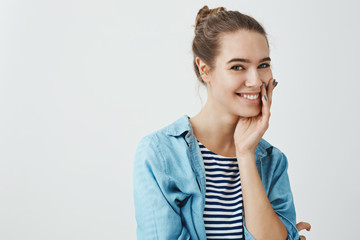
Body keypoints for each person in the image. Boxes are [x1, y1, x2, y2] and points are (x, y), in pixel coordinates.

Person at [133, 5, 311, 240]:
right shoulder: (161, 154)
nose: (256, 81)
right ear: (205, 69)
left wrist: (245, 154)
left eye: (263, 65)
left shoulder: (272, 162)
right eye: (238, 66)